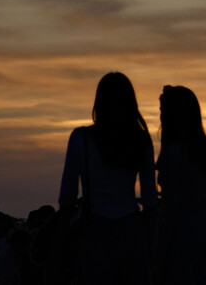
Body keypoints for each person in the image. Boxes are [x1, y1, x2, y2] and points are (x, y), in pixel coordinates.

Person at [59, 71, 157, 285]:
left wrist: (63, 240)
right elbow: (150, 200)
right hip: (131, 231)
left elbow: (66, 197)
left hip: (93, 230)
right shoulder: (141, 140)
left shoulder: (80, 138)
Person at [155, 85, 206, 285]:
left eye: (163, 112)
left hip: (180, 234)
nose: (160, 118)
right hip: (204, 231)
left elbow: (170, 206)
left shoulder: (174, 153)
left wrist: (160, 246)